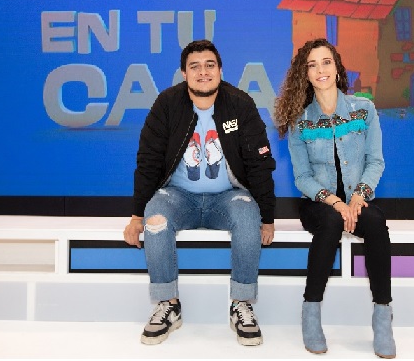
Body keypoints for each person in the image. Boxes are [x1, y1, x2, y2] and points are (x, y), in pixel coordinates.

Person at [123, 39, 276, 346]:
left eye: (209, 65)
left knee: (249, 217)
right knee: (156, 219)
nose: (203, 72)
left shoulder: (240, 104)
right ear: (184, 73)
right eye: (195, 67)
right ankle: (168, 304)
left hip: (227, 196)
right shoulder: (167, 104)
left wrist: (268, 218)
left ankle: (241, 304)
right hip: (179, 196)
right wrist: (137, 215)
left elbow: (259, 164)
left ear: (220, 70)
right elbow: (148, 161)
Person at [274, 38, 396, 358]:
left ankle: (383, 316)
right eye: (312, 65)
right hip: (319, 204)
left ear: (337, 68)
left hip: (358, 200)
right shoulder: (300, 120)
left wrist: (356, 198)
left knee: (376, 222)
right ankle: (311, 313)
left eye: (326, 62)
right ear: (305, 74)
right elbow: (302, 178)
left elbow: (375, 162)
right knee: (329, 222)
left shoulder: (364, 110)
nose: (320, 70)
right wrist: (338, 203)